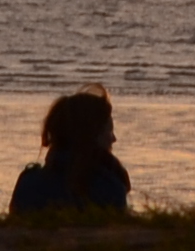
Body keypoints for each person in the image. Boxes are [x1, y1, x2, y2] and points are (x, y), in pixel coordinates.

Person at [10, 85, 131, 217]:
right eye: (109, 130)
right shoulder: (110, 189)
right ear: (92, 136)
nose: (113, 139)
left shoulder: (28, 184)